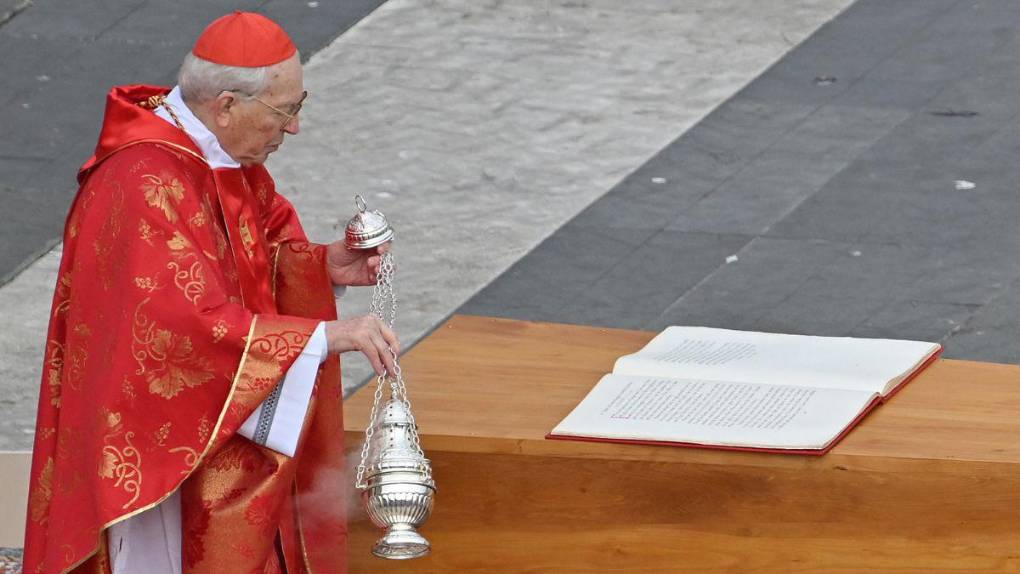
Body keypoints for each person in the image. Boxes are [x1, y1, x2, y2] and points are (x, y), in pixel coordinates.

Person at [23, 11, 398, 574]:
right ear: (225, 105)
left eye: (299, 104)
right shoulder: (144, 181)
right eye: (286, 111)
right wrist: (323, 336)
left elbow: (245, 258)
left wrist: (321, 266)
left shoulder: (217, 155)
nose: (293, 128)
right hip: (151, 448)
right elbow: (180, 332)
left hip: (202, 427)